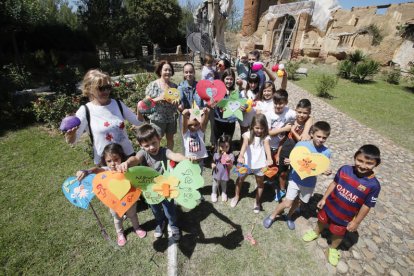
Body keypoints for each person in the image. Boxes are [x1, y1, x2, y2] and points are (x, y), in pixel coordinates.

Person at [302, 145, 381, 267]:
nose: (363, 165)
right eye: (360, 160)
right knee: (321, 221)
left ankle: (333, 248)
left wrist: (357, 222)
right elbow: (334, 184)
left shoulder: (374, 186)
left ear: (376, 164)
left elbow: (367, 206)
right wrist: (324, 198)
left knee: (338, 233)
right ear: (355, 157)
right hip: (329, 207)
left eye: (369, 163)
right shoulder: (344, 169)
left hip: (345, 216)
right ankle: (315, 232)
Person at [117, 124, 191, 241]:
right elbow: (135, 159)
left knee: (170, 209)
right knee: (155, 209)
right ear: (140, 145)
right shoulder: (143, 153)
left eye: (154, 143)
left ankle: (173, 225)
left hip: (166, 188)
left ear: (159, 139)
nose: (151, 147)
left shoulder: (164, 151)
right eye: (146, 145)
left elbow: (174, 155)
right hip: (150, 189)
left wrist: (185, 158)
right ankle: (160, 222)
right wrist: (126, 163)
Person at [65, 69, 143, 165]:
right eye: (101, 88)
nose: (106, 91)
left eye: (108, 87)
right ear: (89, 89)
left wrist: (140, 108)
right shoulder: (85, 110)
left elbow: (138, 122)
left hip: (127, 157)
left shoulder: (117, 104)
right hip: (106, 162)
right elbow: (72, 141)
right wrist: (71, 134)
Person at [263, 121, 332, 229]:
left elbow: (318, 168)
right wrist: (289, 161)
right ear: (312, 133)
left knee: (298, 201)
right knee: (287, 202)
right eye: (318, 136)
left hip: (309, 183)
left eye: (324, 138)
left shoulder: (326, 152)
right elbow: (294, 159)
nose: (321, 139)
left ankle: (289, 216)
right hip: (295, 179)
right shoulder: (301, 145)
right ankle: (272, 216)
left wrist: (325, 171)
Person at [76, 143, 146, 247]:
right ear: (105, 161)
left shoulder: (125, 167)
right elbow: (96, 169)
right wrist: (87, 171)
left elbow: (133, 161)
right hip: (114, 202)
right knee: (117, 218)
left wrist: (126, 164)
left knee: (132, 214)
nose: (113, 163)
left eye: (116, 159)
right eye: (109, 161)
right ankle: (120, 233)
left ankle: (137, 228)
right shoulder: (106, 170)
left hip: (129, 199)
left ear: (121, 157)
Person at [231, 114, 273, 212]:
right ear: (252, 126)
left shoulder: (265, 137)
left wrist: (269, 158)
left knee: (260, 183)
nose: (259, 130)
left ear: (265, 127)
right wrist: (241, 155)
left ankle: (257, 202)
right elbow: (245, 144)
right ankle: (236, 196)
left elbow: (267, 147)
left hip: (261, 165)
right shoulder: (247, 134)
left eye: (262, 128)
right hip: (245, 163)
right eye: (257, 128)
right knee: (240, 179)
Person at [274, 99, 313, 201]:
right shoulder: (291, 121)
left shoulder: (309, 127)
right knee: (282, 173)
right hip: (285, 152)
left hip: (299, 156)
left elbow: (302, 140)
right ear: (296, 110)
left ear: (309, 113)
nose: (301, 115)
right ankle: (282, 189)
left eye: (305, 113)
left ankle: (293, 192)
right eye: (299, 112)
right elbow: (282, 140)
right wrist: (278, 153)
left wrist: (292, 130)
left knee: (294, 174)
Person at [141, 60, 178, 150]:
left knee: (170, 139)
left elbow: (177, 102)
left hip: (171, 118)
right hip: (157, 119)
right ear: (160, 71)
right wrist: (159, 98)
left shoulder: (174, 86)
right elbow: (145, 104)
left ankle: (169, 158)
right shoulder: (153, 85)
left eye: (169, 70)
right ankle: (155, 159)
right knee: (155, 140)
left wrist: (177, 103)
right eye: (165, 70)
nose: (168, 72)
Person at [210, 68, 240, 147]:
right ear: (223, 79)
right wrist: (214, 103)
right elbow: (212, 101)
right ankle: (216, 157)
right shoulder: (217, 90)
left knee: (228, 142)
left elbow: (237, 105)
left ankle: (228, 158)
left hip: (230, 122)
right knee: (217, 142)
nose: (229, 81)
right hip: (218, 121)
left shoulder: (235, 92)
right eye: (227, 79)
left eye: (231, 79)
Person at [211, 135, 234, 203]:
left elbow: (230, 167)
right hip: (216, 172)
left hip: (225, 174)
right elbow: (213, 161)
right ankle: (214, 193)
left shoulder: (230, 156)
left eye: (226, 147)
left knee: (224, 184)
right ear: (218, 146)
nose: (224, 149)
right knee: (215, 184)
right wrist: (212, 164)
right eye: (222, 146)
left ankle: (224, 193)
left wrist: (229, 162)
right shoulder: (216, 154)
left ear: (230, 146)